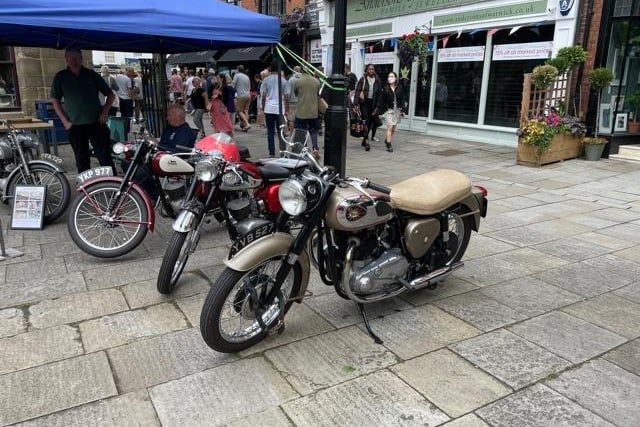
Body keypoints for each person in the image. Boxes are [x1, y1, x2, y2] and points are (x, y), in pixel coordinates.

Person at [51, 47, 116, 175]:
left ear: (81, 59)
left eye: (76, 57)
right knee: (82, 160)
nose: (73, 60)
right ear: (66, 59)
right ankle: (87, 189)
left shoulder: (91, 75)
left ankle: (113, 186)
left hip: (96, 122)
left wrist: (105, 112)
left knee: (104, 158)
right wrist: (65, 122)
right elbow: (55, 100)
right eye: (70, 57)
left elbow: (110, 94)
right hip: (75, 125)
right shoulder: (61, 77)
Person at [261, 62, 289, 157]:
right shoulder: (283, 81)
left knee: (270, 132)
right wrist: (287, 110)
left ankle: (272, 153)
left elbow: (264, 96)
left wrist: (263, 107)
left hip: (269, 108)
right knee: (281, 131)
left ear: (270, 69)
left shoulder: (266, 80)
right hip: (280, 109)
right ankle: (283, 151)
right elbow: (286, 97)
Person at [293, 67, 321, 159]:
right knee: (313, 131)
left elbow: (296, 93)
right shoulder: (316, 81)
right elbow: (317, 93)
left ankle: (304, 149)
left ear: (302, 71)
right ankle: (315, 148)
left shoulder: (298, 81)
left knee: (302, 131)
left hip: (302, 111)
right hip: (313, 111)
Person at [354, 64, 382, 151]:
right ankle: (366, 140)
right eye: (369, 69)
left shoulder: (378, 80)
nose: (371, 70)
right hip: (364, 103)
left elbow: (379, 95)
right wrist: (356, 104)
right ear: (366, 70)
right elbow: (358, 91)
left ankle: (364, 138)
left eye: (373, 69)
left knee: (370, 122)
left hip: (373, 103)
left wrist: (377, 106)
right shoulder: (363, 79)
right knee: (365, 121)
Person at [377, 71, 406, 153]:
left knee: (393, 128)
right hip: (388, 111)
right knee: (389, 127)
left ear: (396, 78)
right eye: (389, 76)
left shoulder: (400, 87)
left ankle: (387, 139)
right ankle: (389, 145)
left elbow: (403, 99)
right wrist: (380, 112)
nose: (390, 78)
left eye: (392, 76)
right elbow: (381, 100)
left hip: (397, 111)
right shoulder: (385, 88)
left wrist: (403, 110)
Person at [232, 65, 252, 131]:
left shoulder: (237, 75)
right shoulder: (247, 77)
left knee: (239, 111)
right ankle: (245, 126)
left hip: (241, 95)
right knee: (246, 110)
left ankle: (247, 124)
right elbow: (249, 87)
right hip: (248, 95)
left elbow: (233, 85)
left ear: (238, 69)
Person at [287, 66, 302, 133]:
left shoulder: (291, 80)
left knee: (291, 119)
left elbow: (288, 92)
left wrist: (288, 100)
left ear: (293, 70)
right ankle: (300, 135)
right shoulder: (302, 79)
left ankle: (292, 134)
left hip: (292, 102)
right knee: (300, 119)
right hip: (301, 102)